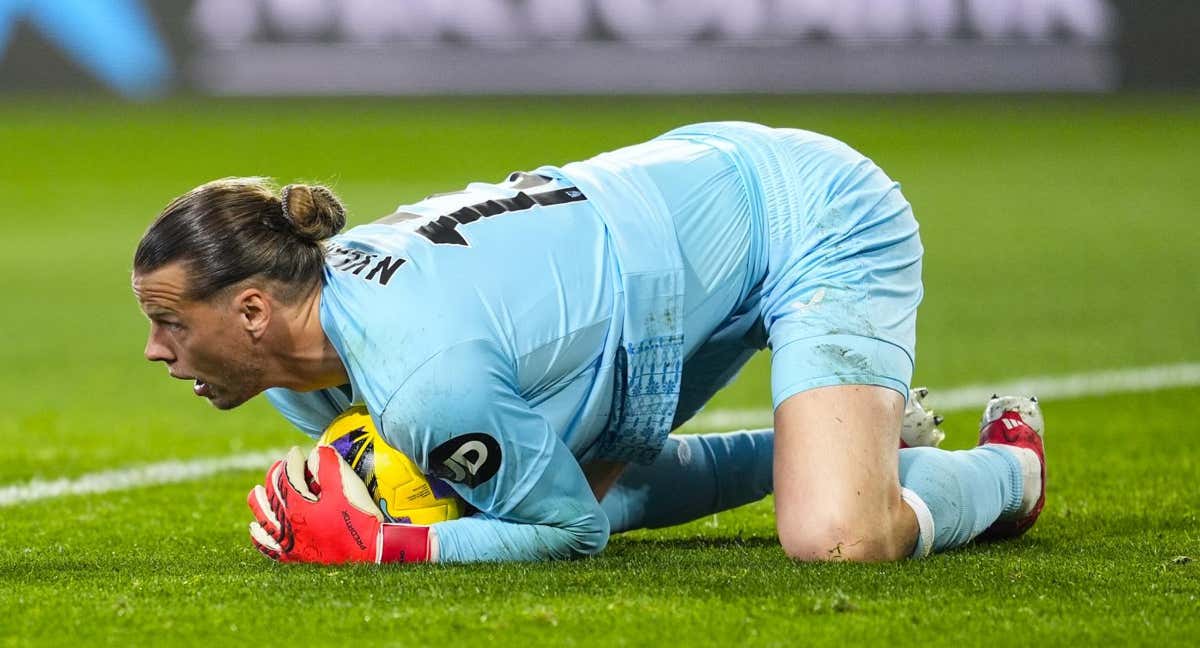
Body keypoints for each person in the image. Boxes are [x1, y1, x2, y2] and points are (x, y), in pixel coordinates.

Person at [132, 121, 1046, 565]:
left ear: (253, 311)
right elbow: (547, 490)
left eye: (171, 320)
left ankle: (1011, 475)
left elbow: (568, 531)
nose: (155, 351)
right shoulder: (310, 365)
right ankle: (866, 443)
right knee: (560, 477)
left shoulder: (421, 378)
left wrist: (395, 546)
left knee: (839, 536)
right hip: (657, 241)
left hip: (803, 213)